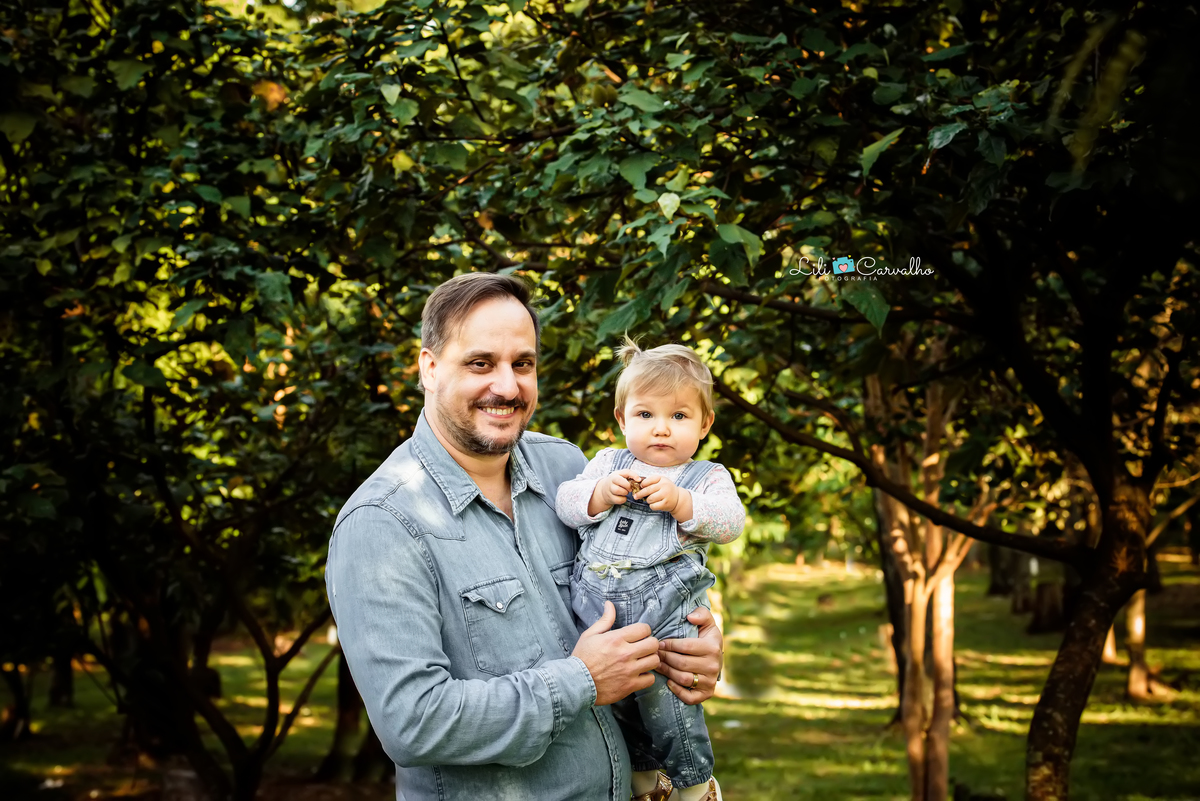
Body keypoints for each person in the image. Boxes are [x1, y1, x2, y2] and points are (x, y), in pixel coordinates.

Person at [324, 273, 724, 801]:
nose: (508, 387)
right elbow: (413, 722)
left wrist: (695, 642)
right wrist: (581, 680)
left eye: (524, 364)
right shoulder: (382, 523)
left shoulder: (567, 469)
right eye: (481, 363)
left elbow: (640, 571)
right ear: (429, 368)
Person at [556, 339, 744, 801]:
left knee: (666, 703)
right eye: (645, 415)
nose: (661, 429)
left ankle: (695, 784)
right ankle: (645, 783)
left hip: (663, 612)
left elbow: (730, 522)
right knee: (619, 706)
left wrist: (683, 503)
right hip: (598, 612)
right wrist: (599, 494)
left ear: (704, 424)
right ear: (622, 419)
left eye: (679, 416)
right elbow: (566, 503)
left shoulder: (706, 477)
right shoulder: (607, 464)